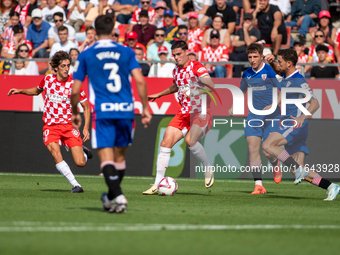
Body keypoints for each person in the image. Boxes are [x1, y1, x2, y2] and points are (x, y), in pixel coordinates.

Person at [71, 14, 152, 213]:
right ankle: (110, 196)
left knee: (106, 159)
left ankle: (120, 197)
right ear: (114, 31)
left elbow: (75, 90)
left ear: (95, 32)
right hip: (126, 111)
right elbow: (140, 81)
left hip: (103, 112)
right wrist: (145, 108)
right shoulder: (126, 51)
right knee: (120, 159)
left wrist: (75, 112)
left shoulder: (87, 54)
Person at [8, 51, 92, 193]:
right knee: (55, 153)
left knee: (80, 163)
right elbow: (36, 90)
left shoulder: (74, 85)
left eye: (68, 65)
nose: (67, 68)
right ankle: (76, 185)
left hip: (69, 126)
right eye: (63, 66)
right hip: (51, 126)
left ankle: (83, 151)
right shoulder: (47, 80)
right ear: (56, 68)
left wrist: (86, 128)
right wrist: (20, 90)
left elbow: (86, 107)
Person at [264, 48, 339, 201]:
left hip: (294, 124)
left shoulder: (299, 80)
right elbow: (280, 83)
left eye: (280, 62)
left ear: (289, 63)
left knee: (268, 145)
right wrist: (271, 64)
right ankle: (331, 186)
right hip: (293, 125)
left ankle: (299, 170)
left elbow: (315, 103)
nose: (278, 64)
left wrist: (303, 117)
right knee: (297, 170)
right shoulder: (287, 77)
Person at [143, 40, 216, 195]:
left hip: (200, 112)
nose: (176, 57)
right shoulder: (176, 70)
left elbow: (210, 85)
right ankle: (157, 184)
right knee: (165, 141)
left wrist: (195, 92)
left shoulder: (197, 67)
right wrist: (159, 94)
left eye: (179, 54)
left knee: (190, 141)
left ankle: (207, 166)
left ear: (186, 52)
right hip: (183, 114)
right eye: (174, 55)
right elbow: (176, 85)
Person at [228, 43, 282, 194]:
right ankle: (258, 185)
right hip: (254, 115)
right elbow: (241, 91)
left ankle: (275, 163)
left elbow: (283, 89)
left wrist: (272, 104)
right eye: (250, 57)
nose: (252, 60)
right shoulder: (246, 74)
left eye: (255, 57)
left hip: (272, 115)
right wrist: (234, 105)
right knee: (252, 148)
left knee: (267, 152)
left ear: (261, 56)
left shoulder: (269, 70)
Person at [230, 13, 261, 77]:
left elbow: (249, 43)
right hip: (236, 52)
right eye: (245, 19)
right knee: (227, 56)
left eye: (249, 19)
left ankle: (237, 78)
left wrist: (245, 30)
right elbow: (234, 43)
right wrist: (245, 41)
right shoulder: (239, 30)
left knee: (237, 58)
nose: (247, 21)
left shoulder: (256, 31)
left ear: (252, 21)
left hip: (248, 53)